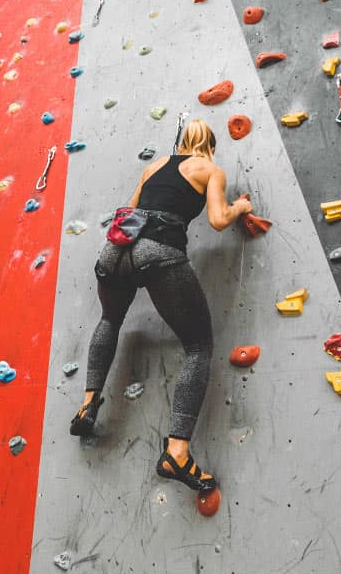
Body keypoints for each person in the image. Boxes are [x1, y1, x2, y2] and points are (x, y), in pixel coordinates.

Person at [70, 119, 252, 495]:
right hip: (159, 253)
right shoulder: (210, 170)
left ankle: (88, 404)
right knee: (199, 347)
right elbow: (218, 221)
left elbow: (131, 210)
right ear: (210, 146)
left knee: (110, 318)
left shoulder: (153, 167)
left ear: (182, 141)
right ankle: (177, 452)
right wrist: (240, 207)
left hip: (115, 252)